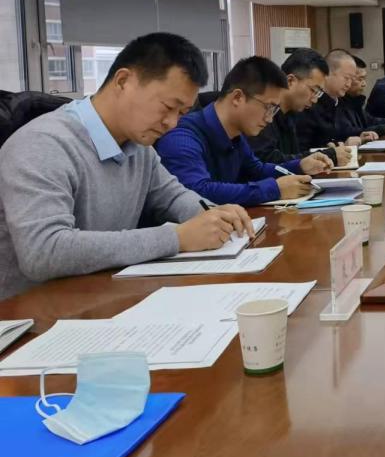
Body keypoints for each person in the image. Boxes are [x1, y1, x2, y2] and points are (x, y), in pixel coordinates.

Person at [0, 32, 252, 301]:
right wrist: (176, 238)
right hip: (31, 313)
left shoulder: (138, 147)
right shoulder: (43, 144)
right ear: (123, 81)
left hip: (102, 299)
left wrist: (215, 216)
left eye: (181, 113)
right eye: (168, 107)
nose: (172, 123)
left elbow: (174, 197)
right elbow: (43, 251)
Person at [155, 56, 331, 206]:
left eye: (275, 110)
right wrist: (274, 189)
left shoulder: (235, 135)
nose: (270, 119)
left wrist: (299, 166)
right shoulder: (181, 136)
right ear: (238, 98)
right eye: (269, 107)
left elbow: (257, 170)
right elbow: (197, 192)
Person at [248, 48, 349, 168]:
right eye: (313, 90)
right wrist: (328, 155)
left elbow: (293, 156)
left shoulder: (292, 113)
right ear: (290, 81)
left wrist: (324, 152)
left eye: (319, 93)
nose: (315, 100)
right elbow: (267, 161)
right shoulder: (264, 111)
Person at [294, 48, 371, 150]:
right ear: (328, 74)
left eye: (351, 79)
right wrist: (338, 148)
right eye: (346, 78)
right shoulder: (308, 105)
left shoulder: (337, 101)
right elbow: (302, 150)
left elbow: (343, 131)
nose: (348, 84)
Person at [340, 55, 385, 138]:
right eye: (360, 79)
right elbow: (349, 131)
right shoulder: (383, 88)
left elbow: (370, 121)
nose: (364, 84)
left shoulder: (354, 100)